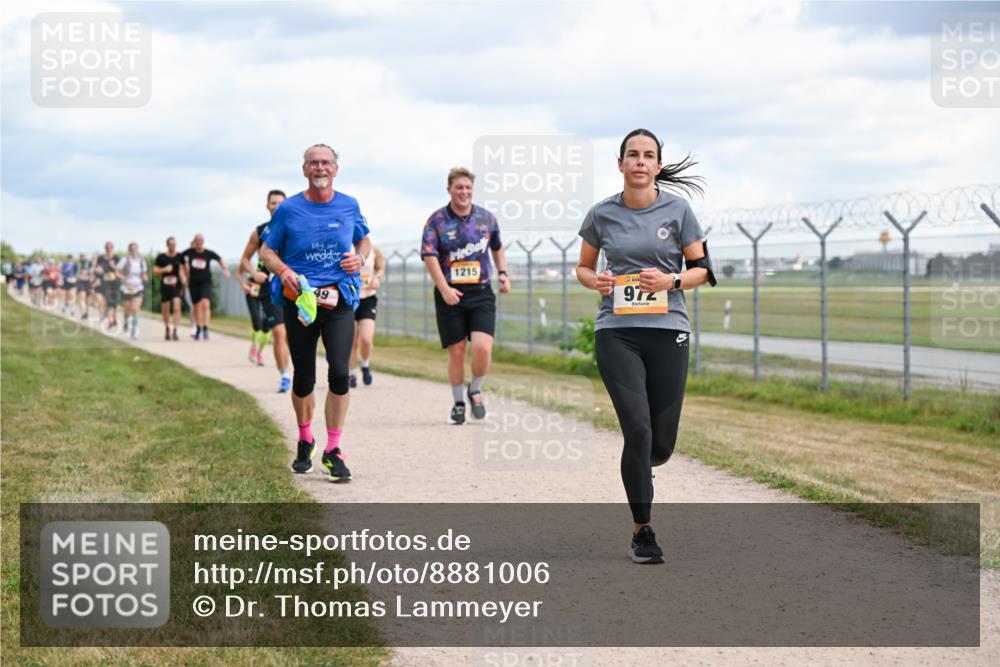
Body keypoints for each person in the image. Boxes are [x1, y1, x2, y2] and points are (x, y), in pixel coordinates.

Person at [575, 128, 716, 565]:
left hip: (668, 330)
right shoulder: (602, 214)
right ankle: (643, 531)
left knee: (660, 445)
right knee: (637, 430)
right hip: (617, 331)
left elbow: (702, 270)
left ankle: (641, 467)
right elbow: (583, 267)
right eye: (632, 154)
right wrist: (596, 281)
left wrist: (670, 280)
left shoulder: (679, 210)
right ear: (620, 164)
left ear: (657, 165)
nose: (640, 161)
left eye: (648, 155)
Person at [259, 143, 370, 480]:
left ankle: (333, 449)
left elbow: (364, 240)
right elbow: (266, 251)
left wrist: (360, 258)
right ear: (304, 169)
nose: (320, 168)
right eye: (314, 163)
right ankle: (305, 438)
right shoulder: (288, 209)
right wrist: (283, 271)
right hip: (300, 302)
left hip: (339, 300)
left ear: (336, 168)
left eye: (326, 162)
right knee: (304, 376)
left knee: (339, 371)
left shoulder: (349, 205)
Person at [420, 167, 510, 425]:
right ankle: (458, 403)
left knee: (483, 347)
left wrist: (503, 273)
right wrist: (444, 289)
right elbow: (429, 256)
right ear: (449, 189)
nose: (464, 192)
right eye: (459, 187)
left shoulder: (486, 218)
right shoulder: (437, 221)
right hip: (450, 292)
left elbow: (497, 247)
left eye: (468, 187)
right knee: (457, 350)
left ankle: (475, 389)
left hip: (481, 292)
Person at [239, 189, 292, 392]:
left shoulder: (295, 227)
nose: (277, 206)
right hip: (269, 288)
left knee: (293, 336)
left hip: (293, 287)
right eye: (273, 203)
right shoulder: (259, 232)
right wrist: (254, 272)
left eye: (280, 203)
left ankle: (299, 372)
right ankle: (284, 376)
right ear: (267, 206)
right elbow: (245, 259)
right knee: (279, 332)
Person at [349, 236, 384, 387]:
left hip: (368, 298)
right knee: (351, 341)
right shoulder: (345, 248)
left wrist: (377, 278)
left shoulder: (374, 249)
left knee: (366, 338)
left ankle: (365, 365)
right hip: (349, 299)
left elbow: (380, 268)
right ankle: (351, 373)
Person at [183, 234, 230, 341]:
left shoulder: (208, 253)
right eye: (197, 241)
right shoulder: (189, 252)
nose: (199, 243)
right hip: (193, 283)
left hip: (206, 282)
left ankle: (205, 328)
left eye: (201, 241)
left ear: (203, 242)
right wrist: (183, 276)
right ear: (195, 242)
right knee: (196, 307)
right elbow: (179, 259)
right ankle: (198, 328)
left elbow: (219, 259)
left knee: (205, 303)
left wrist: (225, 269)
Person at [154, 237, 186, 340]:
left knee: (177, 307)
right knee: (165, 309)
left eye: (174, 244)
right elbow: (155, 271)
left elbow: (183, 269)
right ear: (167, 245)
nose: (172, 246)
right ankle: (167, 328)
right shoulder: (161, 257)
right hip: (165, 286)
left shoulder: (180, 256)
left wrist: (183, 278)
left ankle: (175, 330)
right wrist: (164, 269)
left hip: (176, 285)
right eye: (171, 244)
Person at [116, 242, 148, 340]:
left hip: (138, 287)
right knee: (127, 309)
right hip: (126, 287)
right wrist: (124, 277)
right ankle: (126, 321)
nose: (134, 250)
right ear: (129, 250)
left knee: (135, 309)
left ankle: (133, 332)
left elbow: (144, 274)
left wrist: (145, 277)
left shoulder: (142, 261)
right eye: (132, 249)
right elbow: (117, 272)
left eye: (135, 248)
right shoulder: (124, 260)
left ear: (137, 249)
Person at [95, 242, 121, 333]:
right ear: (105, 248)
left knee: (114, 302)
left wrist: (114, 267)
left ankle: (114, 318)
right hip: (105, 282)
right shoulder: (101, 258)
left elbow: (121, 270)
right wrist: (98, 273)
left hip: (115, 283)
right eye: (107, 247)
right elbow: (97, 269)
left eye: (110, 247)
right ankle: (110, 321)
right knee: (109, 301)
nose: (108, 249)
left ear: (112, 248)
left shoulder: (117, 258)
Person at [75, 252, 94, 320]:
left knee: (88, 300)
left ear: (86, 256)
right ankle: (83, 313)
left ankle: (86, 312)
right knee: (82, 297)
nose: (82, 257)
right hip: (81, 282)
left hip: (88, 282)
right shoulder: (77, 264)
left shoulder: (89, 263)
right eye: (81, 256)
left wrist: (91, 276)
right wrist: (78, 275)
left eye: (83, 255)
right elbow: (75, 273)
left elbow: (93, 271)